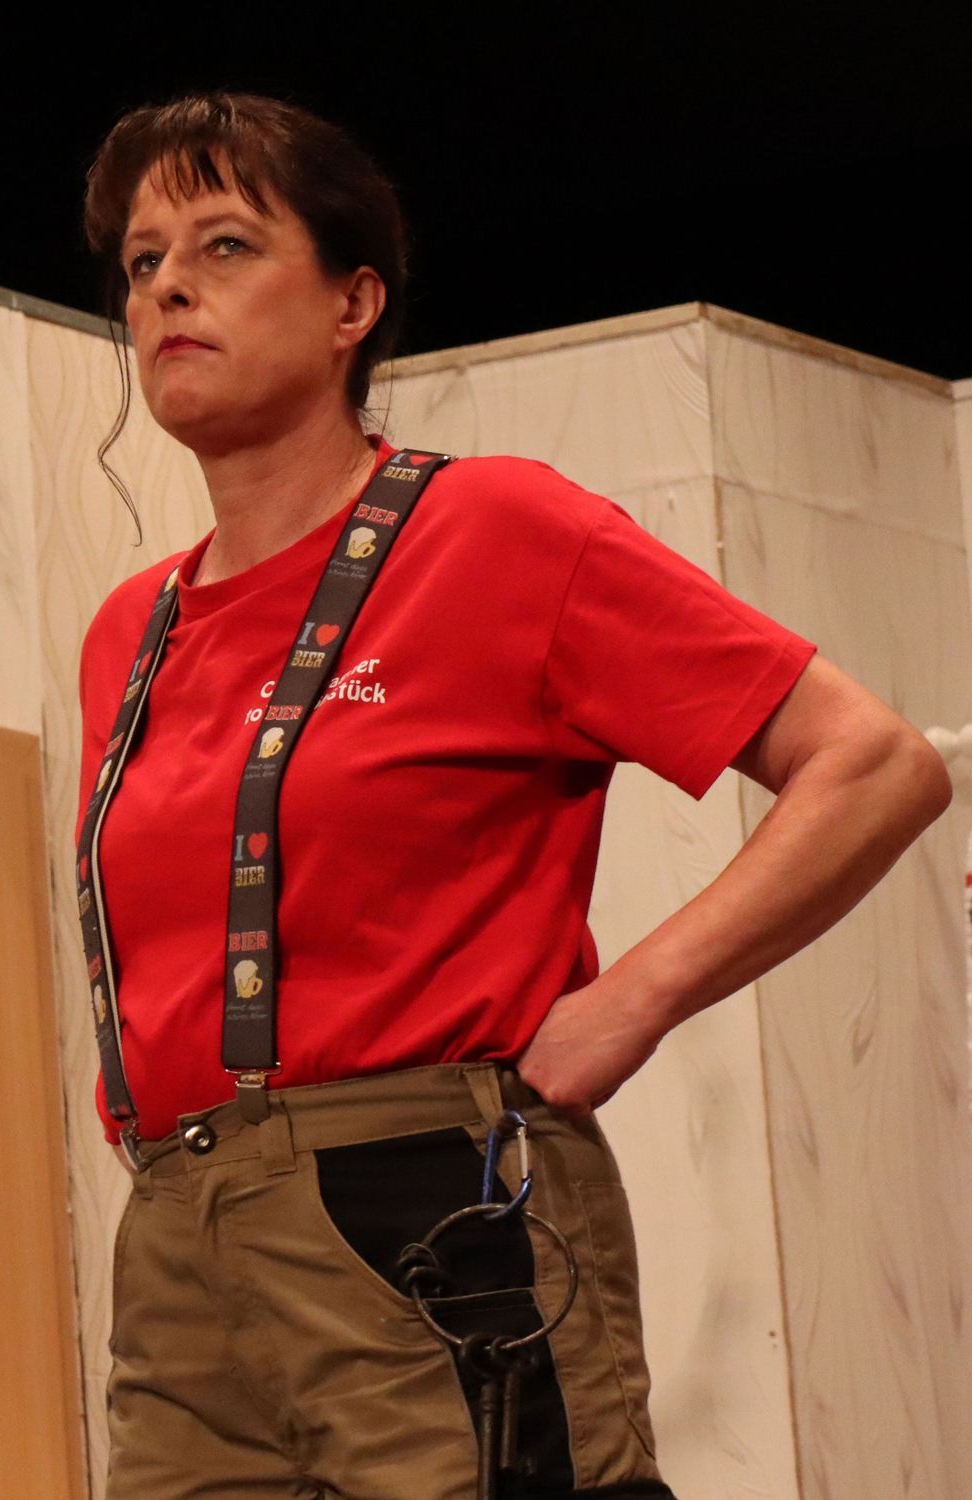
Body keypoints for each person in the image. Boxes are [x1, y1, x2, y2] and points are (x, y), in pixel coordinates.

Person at [71, 94, 951, 1500]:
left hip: (421, 1198)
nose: (167, 285)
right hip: (178, 1235)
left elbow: (873, 765)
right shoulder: (134, 627)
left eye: (225, 245)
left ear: (354, 303)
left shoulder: (492, 529)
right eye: (141, 259)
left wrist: (634, 999)